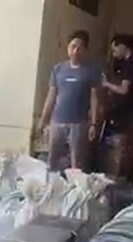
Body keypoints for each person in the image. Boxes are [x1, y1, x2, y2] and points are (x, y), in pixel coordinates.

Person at [38, 30, 100, 172]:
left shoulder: (91, 71)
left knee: (76, 162)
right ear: (68, 48)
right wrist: (43, 120)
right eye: (73, 46)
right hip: (57, 121)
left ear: (85, 50)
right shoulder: (58, 69)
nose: (75, 51)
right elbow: (51, 96)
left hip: (78, 123)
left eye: (79, 47)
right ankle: (53, 183)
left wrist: (93, 124)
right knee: (53, 160)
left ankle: (75, 185)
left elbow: (94, 98)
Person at [101, 35, 133, 180]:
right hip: (131, 110)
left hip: (129, 111)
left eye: (115, 50)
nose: (114, 54)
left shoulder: (130, 64)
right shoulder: (132, 62)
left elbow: (124, 90)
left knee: (125, 143)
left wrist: (107, 84)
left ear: (122, 46)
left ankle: (122, 174)